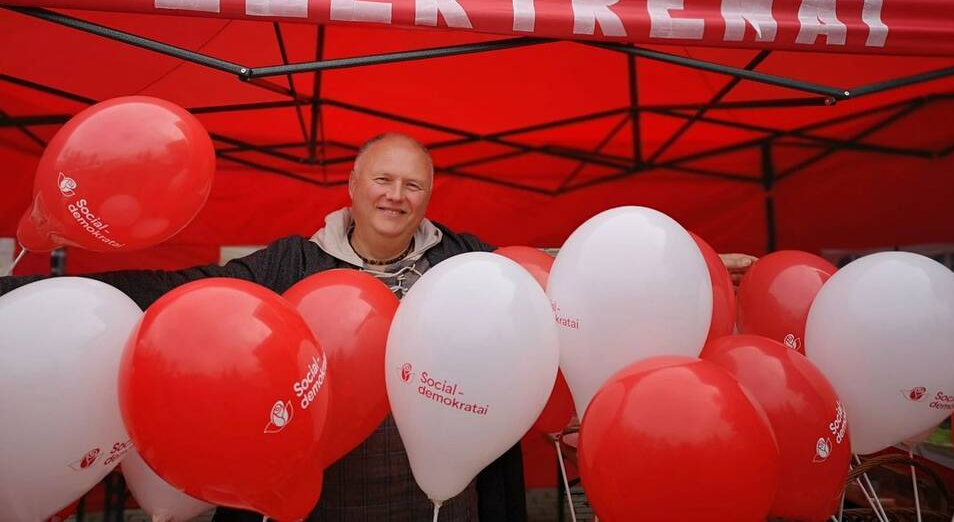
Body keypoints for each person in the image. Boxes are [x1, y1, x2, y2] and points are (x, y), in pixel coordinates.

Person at [0, 132, 755, 521]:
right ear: (354, 186)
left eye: (413, 185)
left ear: (428, 199)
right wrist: (31, 288)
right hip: (327, 504)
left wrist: (700, 267)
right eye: (384, 180)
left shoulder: (466, 259)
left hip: (444, 503)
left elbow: (566, 281)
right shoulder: (290, 263)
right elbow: (180, 292)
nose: (397, 195)